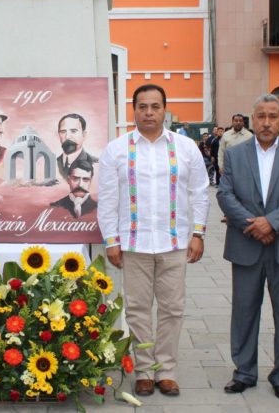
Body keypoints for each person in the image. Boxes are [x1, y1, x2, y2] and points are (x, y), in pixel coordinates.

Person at [98, 84, 210, 397]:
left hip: (174, 244)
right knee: (137, 310)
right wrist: (111, 240)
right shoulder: (116, 150)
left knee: (173, 309)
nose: (149, 112)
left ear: (165, 110)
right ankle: (144, 370)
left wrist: (198, 233)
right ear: (133, 110)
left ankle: (167, 371)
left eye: (155, 106)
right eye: (143, 106)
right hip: (133, 246)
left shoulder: (185, 148)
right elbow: (107, 199)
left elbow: (200, 192)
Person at [217, 94, 279, 400]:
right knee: (244, 311)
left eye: (273, 116)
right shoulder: (236, 154)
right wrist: (255, 225)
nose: (267, 122)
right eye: (261, 116)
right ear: (252, 120)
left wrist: (271, 222)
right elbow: (225, 194)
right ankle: (244, 372)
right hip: (247, 244)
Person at [56, 113, 98, 178]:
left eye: (73, 131)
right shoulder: (52, 164)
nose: (67, 137)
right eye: (63, 132)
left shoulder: (96, 164)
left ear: (84, 135)